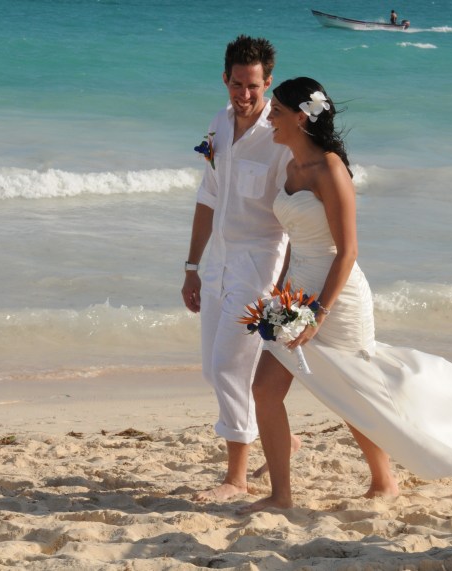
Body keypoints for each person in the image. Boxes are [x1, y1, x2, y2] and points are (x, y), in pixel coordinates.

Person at [237, 77, 452, 514]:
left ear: (300, 116)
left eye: (276, 111)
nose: (269, 118)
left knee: (353, 392)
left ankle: (384, 480)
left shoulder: (330, 168)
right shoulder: (291, 167)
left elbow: (348, 251)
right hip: (294, 295)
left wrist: (318, 312)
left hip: (336, 297)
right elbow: (295, 239)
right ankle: (281, 494)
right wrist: (278, 294)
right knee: (264, 390)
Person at [182, 35, 294, 502]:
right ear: (225, 79)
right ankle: (278, 437)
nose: (243, 95)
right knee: (213, 367)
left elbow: (295, 218)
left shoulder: (281, 137)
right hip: (217, 265)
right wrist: (191, 265)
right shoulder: (218, 125)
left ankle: (237, 477)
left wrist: (284, 290)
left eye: (253, 86)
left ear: (268, 83)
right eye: (236, 84)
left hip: (259, 267)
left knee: (231, 365)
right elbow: (208, 198)